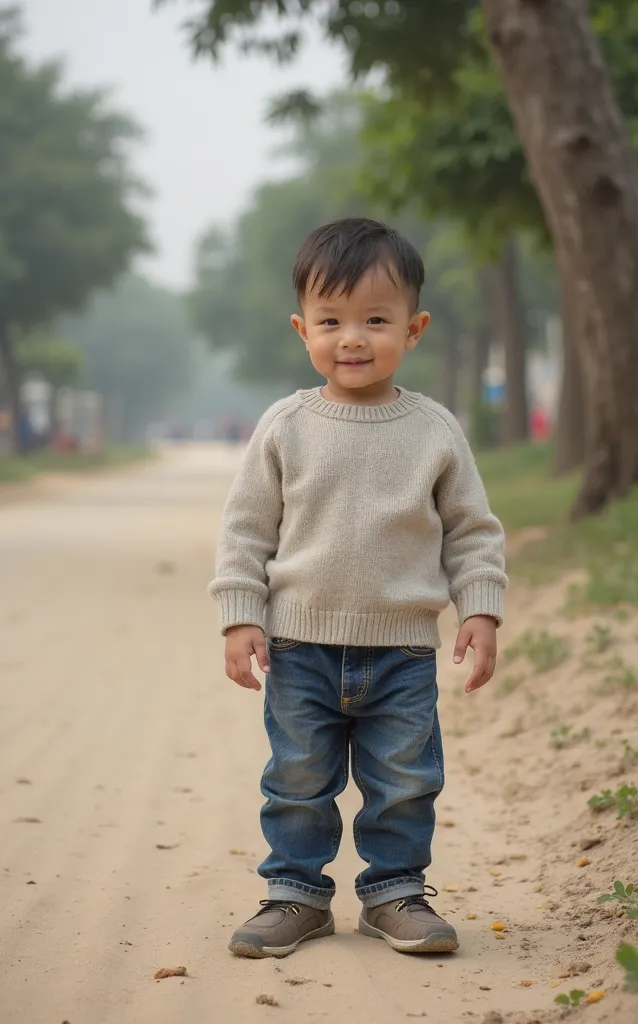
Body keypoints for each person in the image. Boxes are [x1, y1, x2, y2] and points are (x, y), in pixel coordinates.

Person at [210, 218, 507, 960]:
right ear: (300, 328)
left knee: (405, 781)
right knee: (298, 779)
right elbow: (247, 529)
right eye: (331, 320)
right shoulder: (286, 425)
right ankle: (294, 895)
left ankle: (394, 893)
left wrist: (481, 608)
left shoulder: (435, 430)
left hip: (402, 651)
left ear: (415, 328)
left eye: (376, 320)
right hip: (299, 645)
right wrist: (239, 617)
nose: (353, 338)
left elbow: (471, 529)